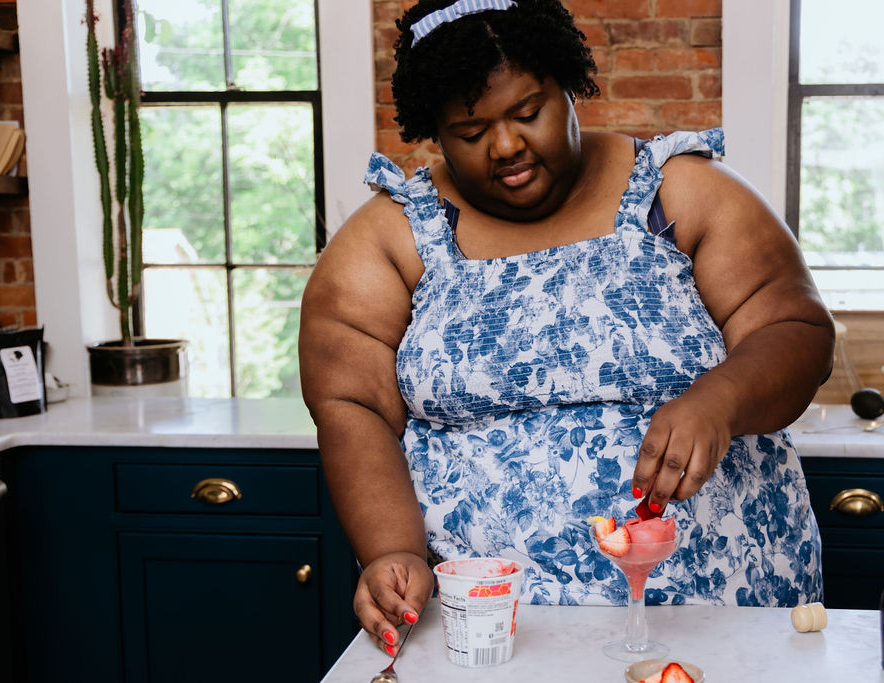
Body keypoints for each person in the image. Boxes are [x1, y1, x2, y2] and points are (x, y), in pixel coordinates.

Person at [299, 0, 835, 657]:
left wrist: (719, 402)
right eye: (470, 130)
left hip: (717, 608)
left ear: (568, 87)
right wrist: (391, 551)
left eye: (528, 112)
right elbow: (352, 405)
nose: (506, 145)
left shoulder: (681, 193)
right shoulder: (392, 237)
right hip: (493, 630)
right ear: (434, 131)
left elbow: (796, 329)